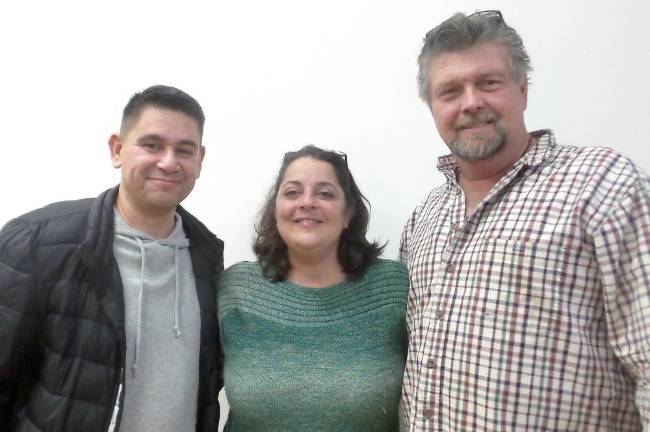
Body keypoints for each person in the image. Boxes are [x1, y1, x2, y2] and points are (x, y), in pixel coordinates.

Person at [400, 10, 650, 431]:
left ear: (522, 89)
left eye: (489, 83)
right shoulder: (423, 219)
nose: (471, 101)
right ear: (432, 107)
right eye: (450, 91)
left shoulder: (602, 184)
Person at [0, 85, 224, 432]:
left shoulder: (207, 256)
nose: (168, 162)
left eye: (184, 150)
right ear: (117, 149)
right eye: (152, 145)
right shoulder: (39, 242)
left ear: (200, 160)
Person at [218, 145, 408, 431]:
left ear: (348, 213)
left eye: (325, 193)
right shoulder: (235, 288)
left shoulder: (396, 289)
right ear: (276, 209)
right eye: (292, 192)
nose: (307, 202)